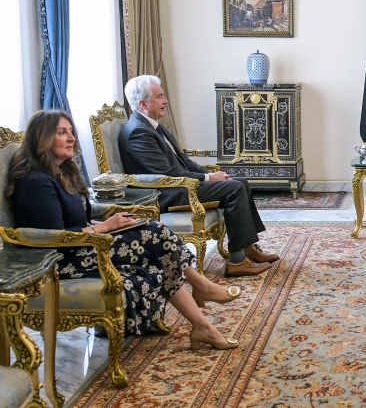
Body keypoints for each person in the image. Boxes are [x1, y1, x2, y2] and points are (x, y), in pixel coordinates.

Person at [7, 111, 240, 350]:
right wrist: (105, 227)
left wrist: (108, 223)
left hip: (83, 247)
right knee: (155, 234)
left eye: (71, 131)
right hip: (62, 261)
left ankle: (202, 324)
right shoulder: (35, 182)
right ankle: (202, 290)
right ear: (43, 138)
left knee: (155, 245)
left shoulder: (62, 172)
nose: (72, 138)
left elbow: (75, 221)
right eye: (62, 133)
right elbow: (55, 237)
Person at [118, 75, 278, 278]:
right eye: (159, 97)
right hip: (164, 193)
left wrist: (210, 174)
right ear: (142, 104)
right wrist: (209, 179)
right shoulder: (138, 132)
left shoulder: (151, 125)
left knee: (240, 182)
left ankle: (248, 248)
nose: (165, 101)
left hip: (177, 185)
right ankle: (237, 262)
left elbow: (183, 161)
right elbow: (168, 174)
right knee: (235, 189)